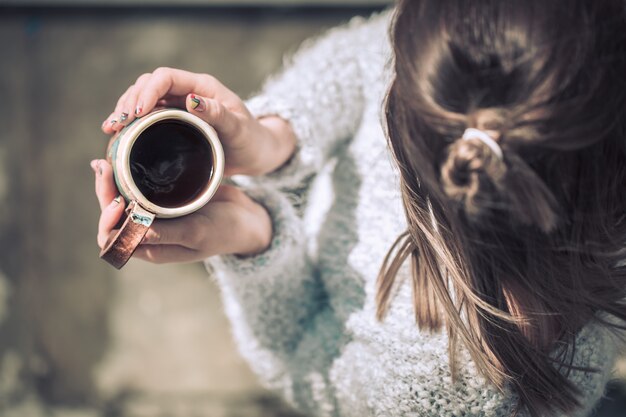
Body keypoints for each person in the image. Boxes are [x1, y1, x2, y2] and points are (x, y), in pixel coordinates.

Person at [92, 0, 626, 416]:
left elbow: (304, 357)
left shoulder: (447, 387)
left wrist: (256, 241)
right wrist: (272, 139)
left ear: (406, 126)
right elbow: (367, 54)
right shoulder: (584, 51)